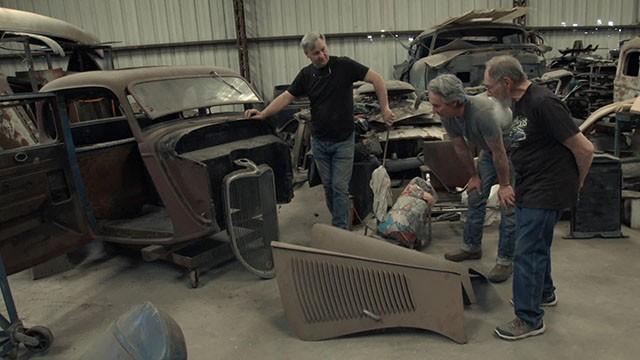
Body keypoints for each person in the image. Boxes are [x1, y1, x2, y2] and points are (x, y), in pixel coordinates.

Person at [484, 55, 594, 340]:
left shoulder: (544, 103)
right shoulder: (518, 104)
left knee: (526, 252)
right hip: (533, 186)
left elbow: (584, 149)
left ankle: (529, 318)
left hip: (548, 188)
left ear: (506, 83)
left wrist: (577, 183)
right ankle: (543, 294)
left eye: (489, 87)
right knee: (537, 245)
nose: (487, 92)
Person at [245, 32, 394, 229]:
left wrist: (385, 109)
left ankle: (340, 230)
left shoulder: (344, 66)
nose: (322, 55)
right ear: (307, 55)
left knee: (340, 187)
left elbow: (377, 80)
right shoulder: (306, 75)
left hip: (343, 141)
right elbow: (286, 97)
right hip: (320, 143)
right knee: (329, 187)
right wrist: (263, 114)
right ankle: (340, 222)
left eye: (323, 50)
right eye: (316, 53)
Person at [427, 74, 516, 283]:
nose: (434, 110)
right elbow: (460, 147)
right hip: (489, 151)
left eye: (437, 106)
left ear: (455, 102)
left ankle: (505, 260)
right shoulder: (448, 115)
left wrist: (504, 185)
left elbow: (500, 152)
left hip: (511, 153)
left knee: (508, 205)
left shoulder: (483, 113)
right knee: (475, 195)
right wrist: (473, 176)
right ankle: (471, 247)